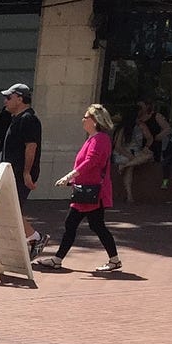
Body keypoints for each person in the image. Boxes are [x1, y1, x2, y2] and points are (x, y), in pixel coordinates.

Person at [35, 105, 121, 272]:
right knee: (91, 225)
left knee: (80, 224)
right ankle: (113, 259)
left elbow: (91, 162)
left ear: (95, 121)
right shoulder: (93, 138)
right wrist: (73, 180)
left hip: (93, 193)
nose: (83, 120)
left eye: (86, 117)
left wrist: (69, 176)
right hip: (86, 191)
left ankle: (58, 259)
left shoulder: (100, 139)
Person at [0, 83, 43, 256]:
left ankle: (34, 237)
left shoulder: (28, 119)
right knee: (8, 209)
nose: (5, 101)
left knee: (12, 209)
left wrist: (26, 173)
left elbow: (31, 147)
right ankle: (21, 243)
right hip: (11, 172)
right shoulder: (17, 118)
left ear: (20, 98)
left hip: (19, 173)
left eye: (8, 97)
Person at [113, 101, 163, 203]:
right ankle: (129, 195)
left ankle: (125, 166)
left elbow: (150, 138)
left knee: (149, 155)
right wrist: (130, 157)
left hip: (136, 153)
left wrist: (146, 147)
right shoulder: (123, 128)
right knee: (131, 167)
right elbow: (118, 147)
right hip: (123, 153)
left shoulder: (141, 125)